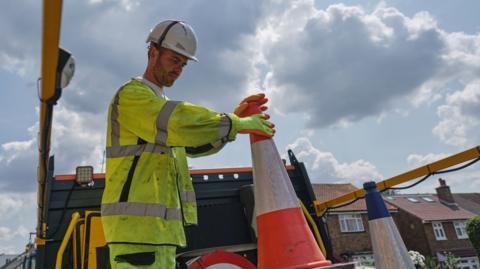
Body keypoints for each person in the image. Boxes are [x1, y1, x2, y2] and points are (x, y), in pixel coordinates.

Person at [101, 20, 274, 268]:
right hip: (136, 235)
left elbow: (194, 145)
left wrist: (232, 123)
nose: (178, 69)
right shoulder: (132, 96)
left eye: (183, 64)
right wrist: (235, 122)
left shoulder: (158, 106)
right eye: (174, 60)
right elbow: (180, 123)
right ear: (153, 52)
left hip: (159, 235)